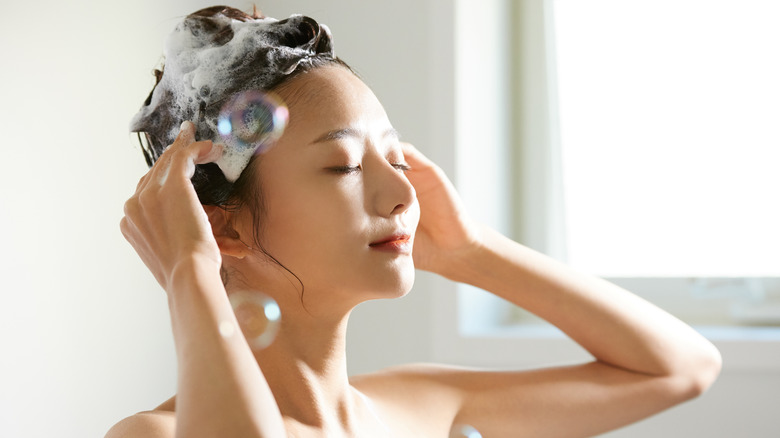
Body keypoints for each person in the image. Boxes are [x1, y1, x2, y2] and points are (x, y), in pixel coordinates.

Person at [108, 5, 721, 438]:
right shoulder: (153, 436)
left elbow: (682, 367)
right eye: (344, 165)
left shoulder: (422, 409)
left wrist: (471, 251)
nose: (402, 189)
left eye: (397, 157)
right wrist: (190, 270)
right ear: (227, 229)